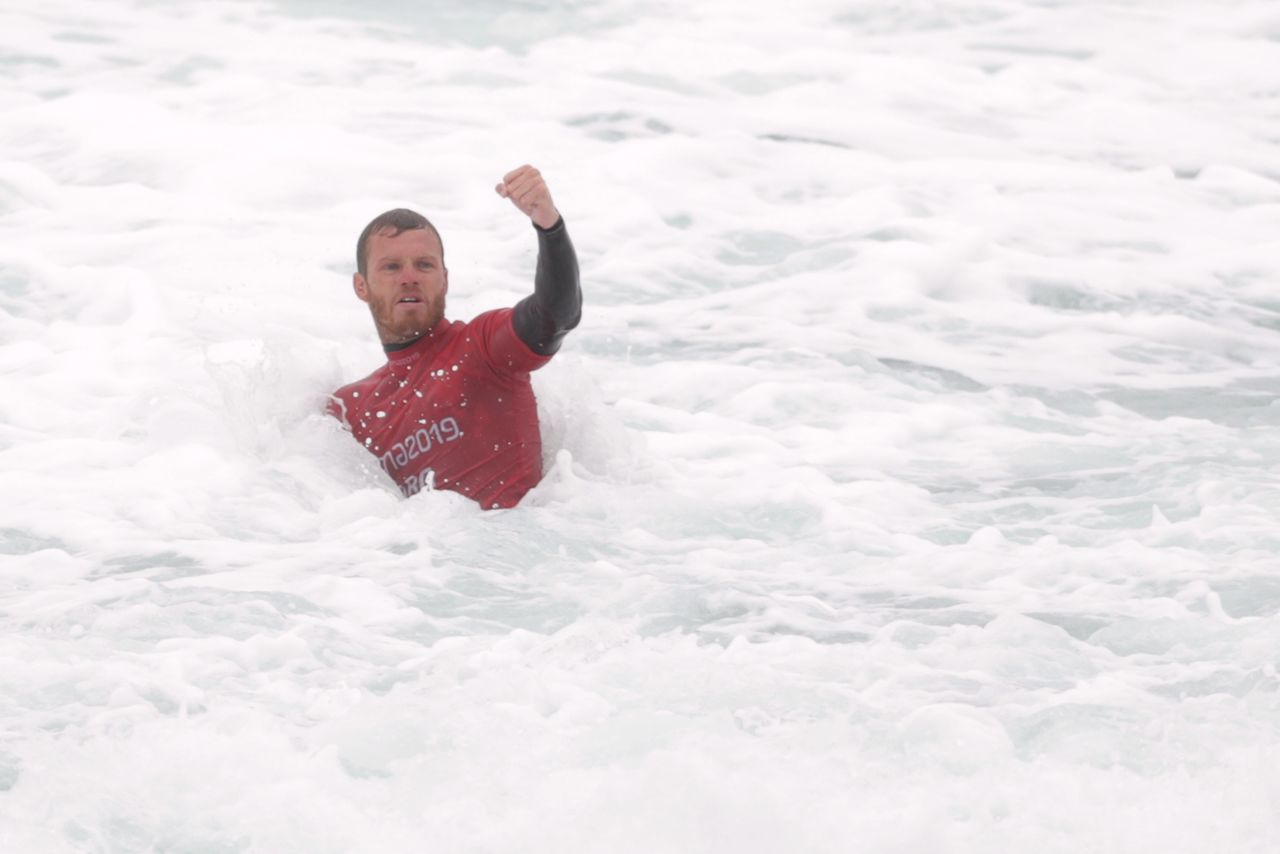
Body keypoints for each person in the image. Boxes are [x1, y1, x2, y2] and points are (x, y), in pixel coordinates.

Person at [328, 165, 581, 509]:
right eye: (391, 267)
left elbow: (555, 315)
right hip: (412, 561)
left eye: (424, 265)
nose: (409, 277)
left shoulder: (482, 348)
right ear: (361, 286)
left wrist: (549, 225)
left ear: (444, 279)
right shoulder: (349, 410)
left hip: (517, 550)